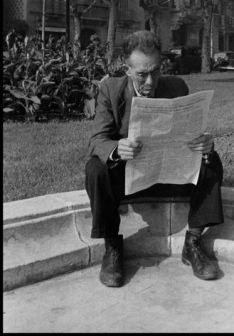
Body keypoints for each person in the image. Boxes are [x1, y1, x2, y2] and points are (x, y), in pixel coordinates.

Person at [85, 30, 224, 287]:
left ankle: (192, 242)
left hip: (171, 173)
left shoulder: (176, 87)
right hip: (130, 178)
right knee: (95, 167)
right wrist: (117, 148)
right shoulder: (110, 89)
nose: (150, 81)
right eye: (141, 74)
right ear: (126, 69)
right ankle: (112, 247)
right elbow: (97, 140)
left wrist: (204, 143)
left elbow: (191, 131)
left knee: (212, 160)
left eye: (156, 71)